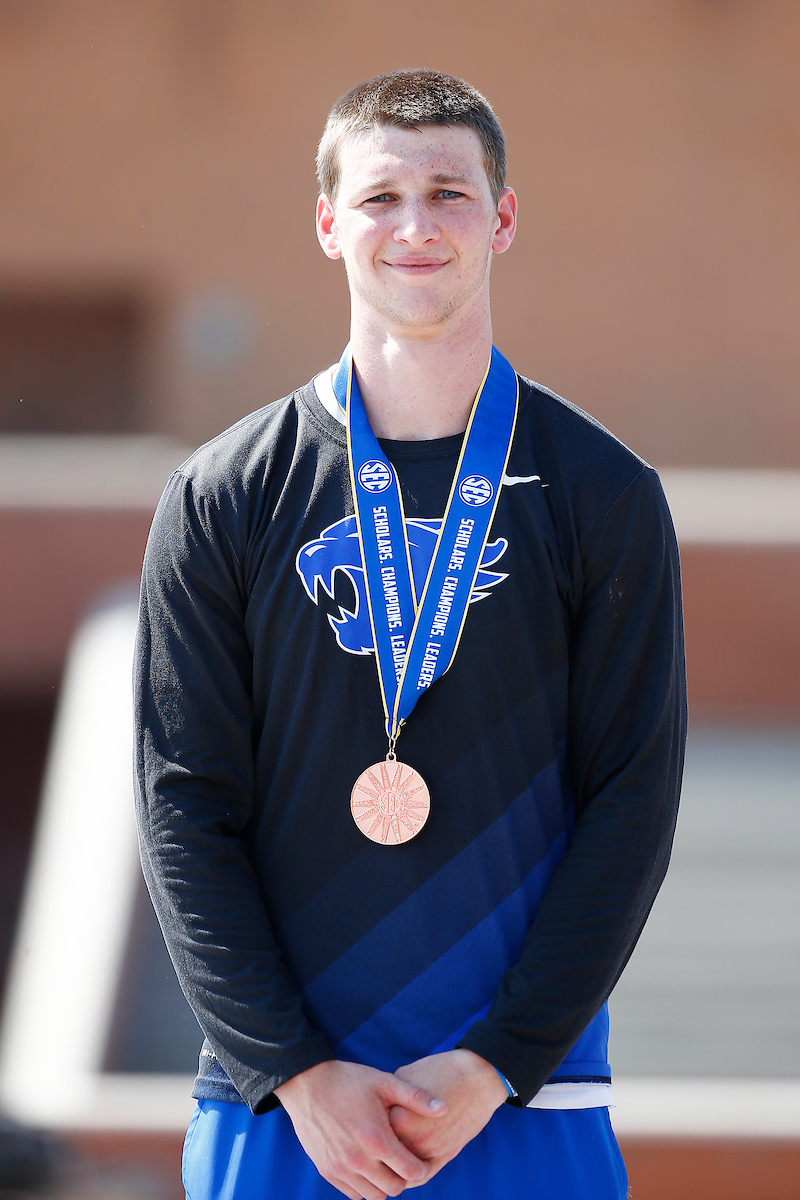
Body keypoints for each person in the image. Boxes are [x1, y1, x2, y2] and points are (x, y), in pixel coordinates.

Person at [134, 69, 686, 1200]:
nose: (416, 226)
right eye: (381, 197)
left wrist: (499, 1061)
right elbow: (181, 805)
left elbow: (632, 800)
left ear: (503, 217)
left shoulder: (601, 492)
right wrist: (293, 1072)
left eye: (449, 193)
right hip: (282, 1113)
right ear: (327, 223)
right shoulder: (224, 495)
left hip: (526, 1101)